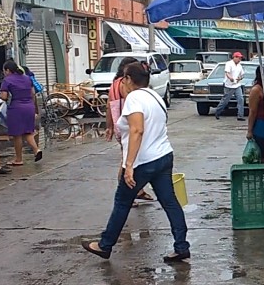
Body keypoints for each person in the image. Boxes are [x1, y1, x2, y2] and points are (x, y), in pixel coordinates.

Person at [81, 62, 190, 263]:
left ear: (129, 79)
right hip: (164, 156)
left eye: (123, 78)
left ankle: (105, 245)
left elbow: (137, 130)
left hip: (143, 161)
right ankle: (181, 246)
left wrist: (129, 165)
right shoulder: (155, 96)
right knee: (170, 201)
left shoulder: (134, 98)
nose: (121, 82)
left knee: (122, 202)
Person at [106, 57, 154, 205]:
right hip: (129, 126)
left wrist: (109, 126)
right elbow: (134, 103)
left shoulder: (114, 84)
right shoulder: (126, 86)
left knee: (129, 158)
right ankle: (126, 194)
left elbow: (108, 106)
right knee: (128, 161)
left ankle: (137, 191)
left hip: (120, 125)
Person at [0, 60, 41, 166]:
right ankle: (36, 150)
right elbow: (32, 93)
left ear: (8, 70)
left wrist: (5, 97)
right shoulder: (27, 78)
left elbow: (4, 97)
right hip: (29, 107)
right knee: (28, 132)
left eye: (4, 70)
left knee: (17, 135)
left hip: (16, 108)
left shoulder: (7, 80)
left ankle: (18, 159)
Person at [215, 51, 246, 120]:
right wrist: (230, 78)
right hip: (229, 85)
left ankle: (240, 116)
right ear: (234, 57)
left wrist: (239, 78)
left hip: (237, 85)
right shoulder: (229, 64)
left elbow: (242, 75)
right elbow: (227, 73)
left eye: (240, 58)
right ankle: (218, 112)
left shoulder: (239, 65)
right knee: (225, 101)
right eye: (238, 58)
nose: (239, 59)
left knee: (240, 99)